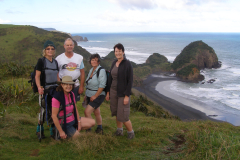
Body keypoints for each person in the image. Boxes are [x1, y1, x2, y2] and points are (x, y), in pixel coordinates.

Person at [105, 43, 135, 139]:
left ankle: (131, 133)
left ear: (123, 52)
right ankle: (119, 131)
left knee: (123, 115)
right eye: (116, 51)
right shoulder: (114, 63)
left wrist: (127, 95)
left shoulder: (127, 64)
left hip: (122, 93)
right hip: (113, 91)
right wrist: (108, 92)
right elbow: (110, 78)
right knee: (116, 113)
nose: (117, 53)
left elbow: (130, 81)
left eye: (119, 51)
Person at [35, 40, 59, 140]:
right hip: (45, 90)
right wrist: (39, 88)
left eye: (52, 49)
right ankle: (39, 129)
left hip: (55, 90)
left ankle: (52, 130)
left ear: (54, 50)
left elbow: (57, 76)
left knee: (54, 110)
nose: (50, 50)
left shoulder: (55, 62)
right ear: (45, 50)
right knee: (44, 110)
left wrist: (62, 86)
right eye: (48, 49)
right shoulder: (41, 61)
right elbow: (37, 76)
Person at [56, 38, 85, 103]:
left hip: (75, 85)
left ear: (73, 45)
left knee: (74, 104)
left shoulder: (79, 58)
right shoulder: (58, 58)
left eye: (71, 45)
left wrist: (81, 86)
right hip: (63, 85)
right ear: (64, 46)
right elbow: (56, 72)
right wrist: (59, 83)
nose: (69, 47)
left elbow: (82, 72)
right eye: (67, 45)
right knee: (62, 104)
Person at [84, 54, 107, 134]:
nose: (94, 61)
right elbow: (88, 84)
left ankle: (89, 129)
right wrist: (86, 95)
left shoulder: (101, 70)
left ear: (99, 61)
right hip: (89, 94)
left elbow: (102, 85)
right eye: (92, 60)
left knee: (87, 112)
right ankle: (99, 129)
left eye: (96, 60)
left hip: (98, 95)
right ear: (90, 61)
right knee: (97, 112)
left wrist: (95, 96)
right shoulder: (92, 70)